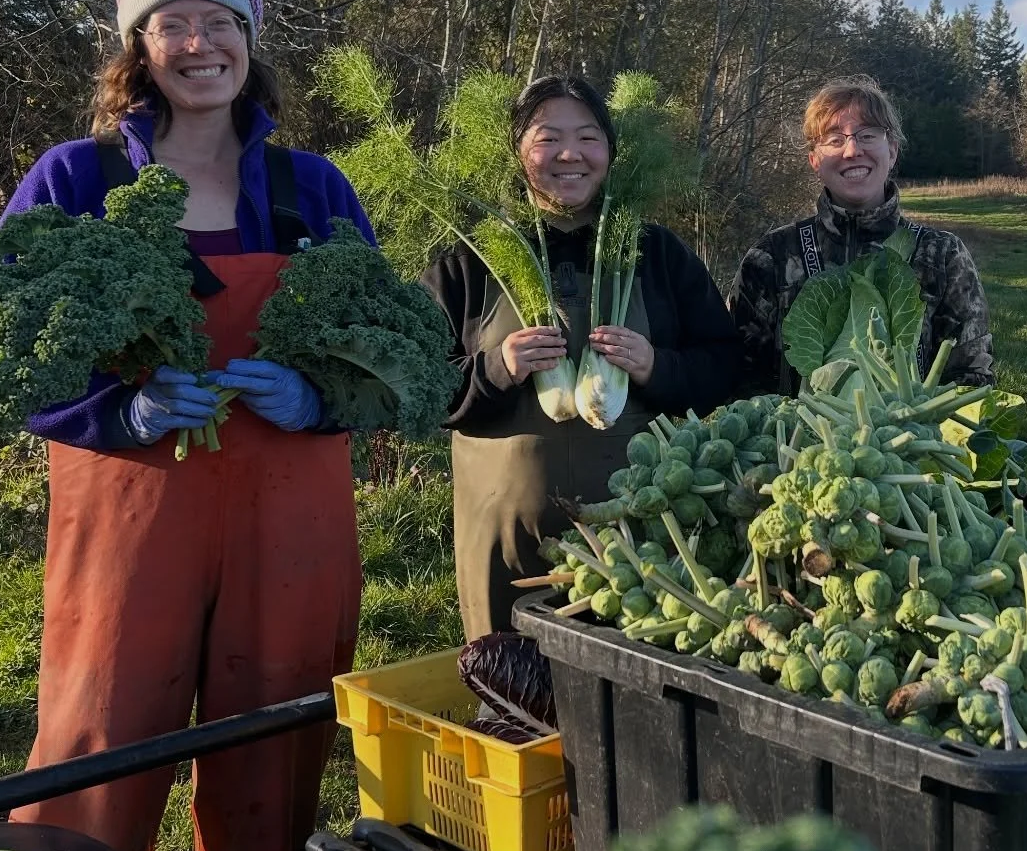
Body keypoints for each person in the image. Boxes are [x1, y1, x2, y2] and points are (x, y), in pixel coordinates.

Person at [0, 0, 376, 851]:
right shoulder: (76, 178)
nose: (199, 44)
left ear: (249, 40)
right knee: (101, 726)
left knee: (275, 729)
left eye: (219, 22)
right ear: (140, 47)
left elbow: (388, 341)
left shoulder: (311, 187)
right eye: (173, 25)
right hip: (130, 510)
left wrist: (319, 397)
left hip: (289, 515)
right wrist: (118, 411)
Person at [425, 75, 740, 639]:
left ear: (611, 152)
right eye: (548, 138)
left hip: (638, 540)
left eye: (589, 138)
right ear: (517, 150)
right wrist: (497, 369)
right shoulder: (469, 256)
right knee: (508, 676)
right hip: (503, 540)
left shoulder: (657, 253)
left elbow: (724, 367)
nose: (570, 154)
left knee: (627, 675)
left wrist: (657, 367)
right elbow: (416, 385)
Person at [729, 73, 994, 395]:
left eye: (868, 135)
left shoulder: (942, 255)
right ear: (814, 160)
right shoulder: (771, 257)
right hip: (798, 428)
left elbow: (972, 378)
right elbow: (738, 379)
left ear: (892, 150)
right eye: (834, 140)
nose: (852, 150)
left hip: (910, 428)